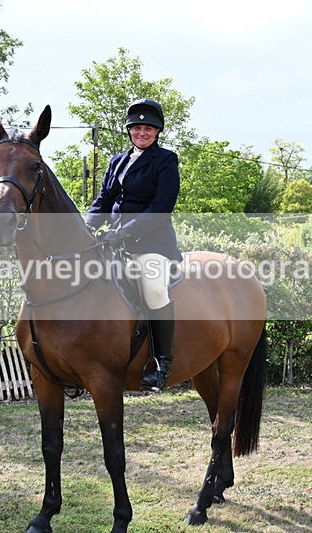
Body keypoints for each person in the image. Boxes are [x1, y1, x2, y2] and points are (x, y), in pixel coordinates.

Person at [85, 98, 181, 391]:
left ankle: (162, 364)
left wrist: (124, 232)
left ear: (157, 132)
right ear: (129, 130)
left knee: (153, 288)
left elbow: (162, 207)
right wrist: (85, 227)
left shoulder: (165, 160)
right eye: (137, 127)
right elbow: (104, 200)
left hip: (152, 245)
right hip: (115, 243)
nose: (142, 132)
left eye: (148, 128)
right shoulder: (118, 161)